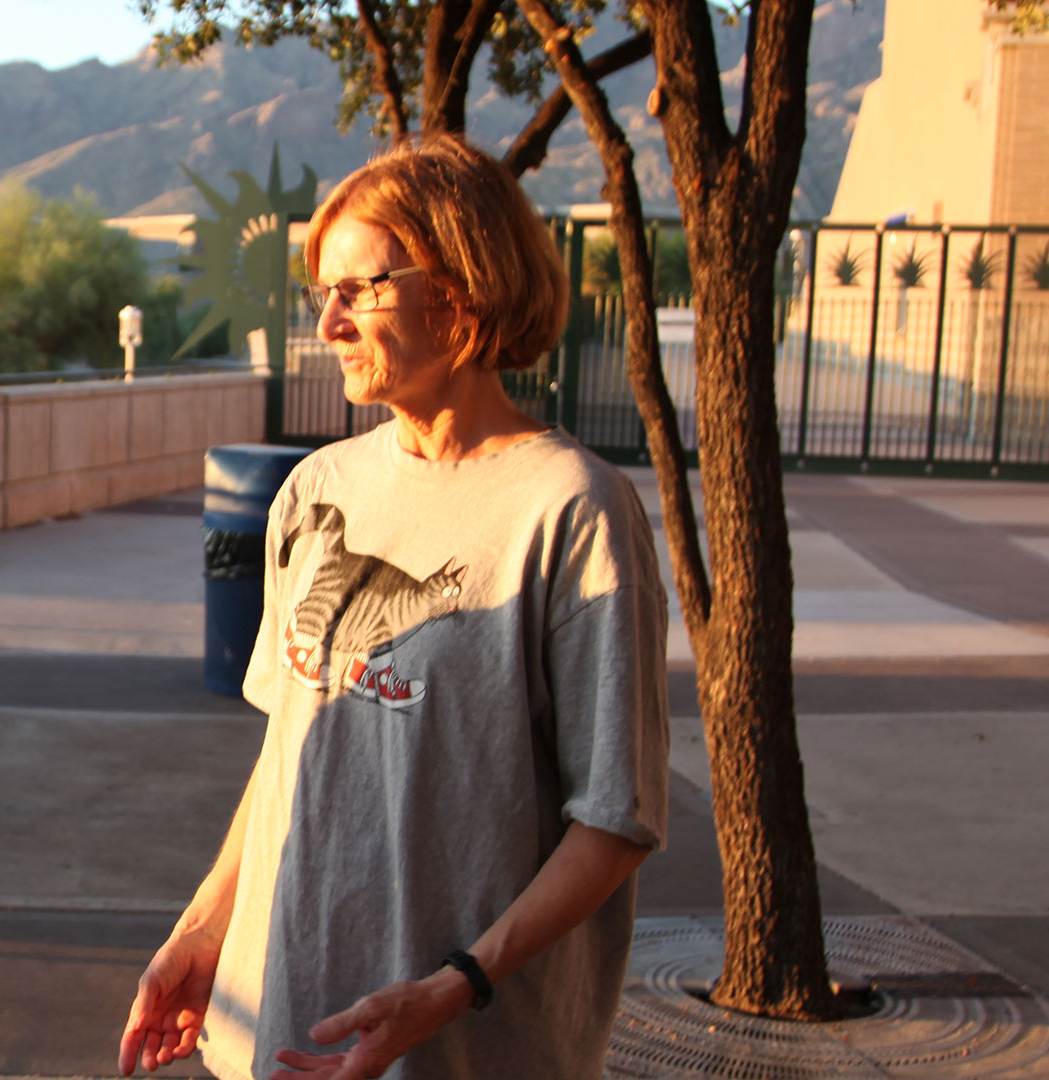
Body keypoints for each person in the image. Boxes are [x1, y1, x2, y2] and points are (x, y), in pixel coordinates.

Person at [118, 135, 669, 1080]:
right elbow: (289, 751)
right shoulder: (315, 491)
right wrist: (206, 929)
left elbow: (613, 823)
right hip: (277, 1016)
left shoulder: (572, 510)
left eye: (356, 290)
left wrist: (457, 984)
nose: (328, 325)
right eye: (319, 295)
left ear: (460, 287)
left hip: (463, 1046)